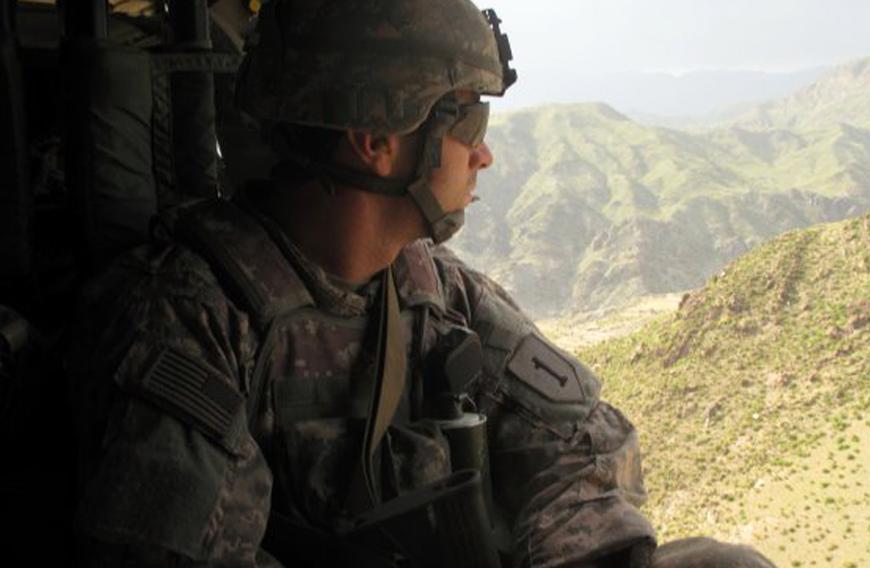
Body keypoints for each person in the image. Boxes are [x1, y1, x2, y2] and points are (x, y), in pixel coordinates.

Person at [69, 1, 776, 566]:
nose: (485, 153)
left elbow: (584, 447)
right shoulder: (193, 319)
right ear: (376, 140)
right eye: (468, 117)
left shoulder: (430, 286)